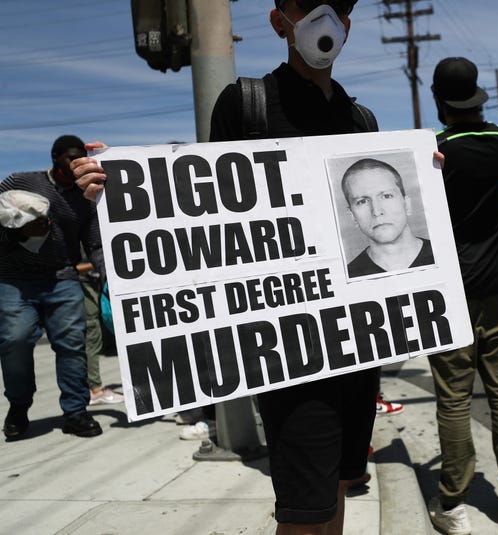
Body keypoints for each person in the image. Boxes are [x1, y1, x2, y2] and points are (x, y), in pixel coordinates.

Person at [72, 2, 380, 533]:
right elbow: (205, 215)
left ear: (348, 26)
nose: (325, 18)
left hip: (357, 342)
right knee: (305, 507)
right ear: (279, 21)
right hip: (291, 345)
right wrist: (122, 192)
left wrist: (422, 178)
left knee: (336, 486)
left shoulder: (361, 119)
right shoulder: (247, 103)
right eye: (308, 6)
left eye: (338, 8)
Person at [427, 56, 498, 534]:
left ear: (438, 100)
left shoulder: (436, 150)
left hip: (453, 286)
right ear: (476, 95)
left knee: (454, 397)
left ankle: (454, 504)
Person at [0, 135, 104, 439]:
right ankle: (19, 405)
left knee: (73, 344)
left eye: (80, 156)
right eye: (70, 157)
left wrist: (112, 275)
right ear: (55, 157)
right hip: (15, 280)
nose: (75, 163)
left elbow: (94, 243)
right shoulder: (19, 182)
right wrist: (18, 232)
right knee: (15, 341)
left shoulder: (86, 198)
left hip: (62, 277)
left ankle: (75, 412)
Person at [340, 157, 434, 277]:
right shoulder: (348, 277)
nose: (376, 211)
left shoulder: (446, 254)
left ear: (407, 205)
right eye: (362, 201)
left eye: (387, 196)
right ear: (353, 216)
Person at [75, 259, 124, 406]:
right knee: (92, 333)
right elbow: (72, 266)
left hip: (91, 282)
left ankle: (93, 387)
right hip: (82, 283)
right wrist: (103, 261)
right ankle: (95, 389)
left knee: (93, 334)